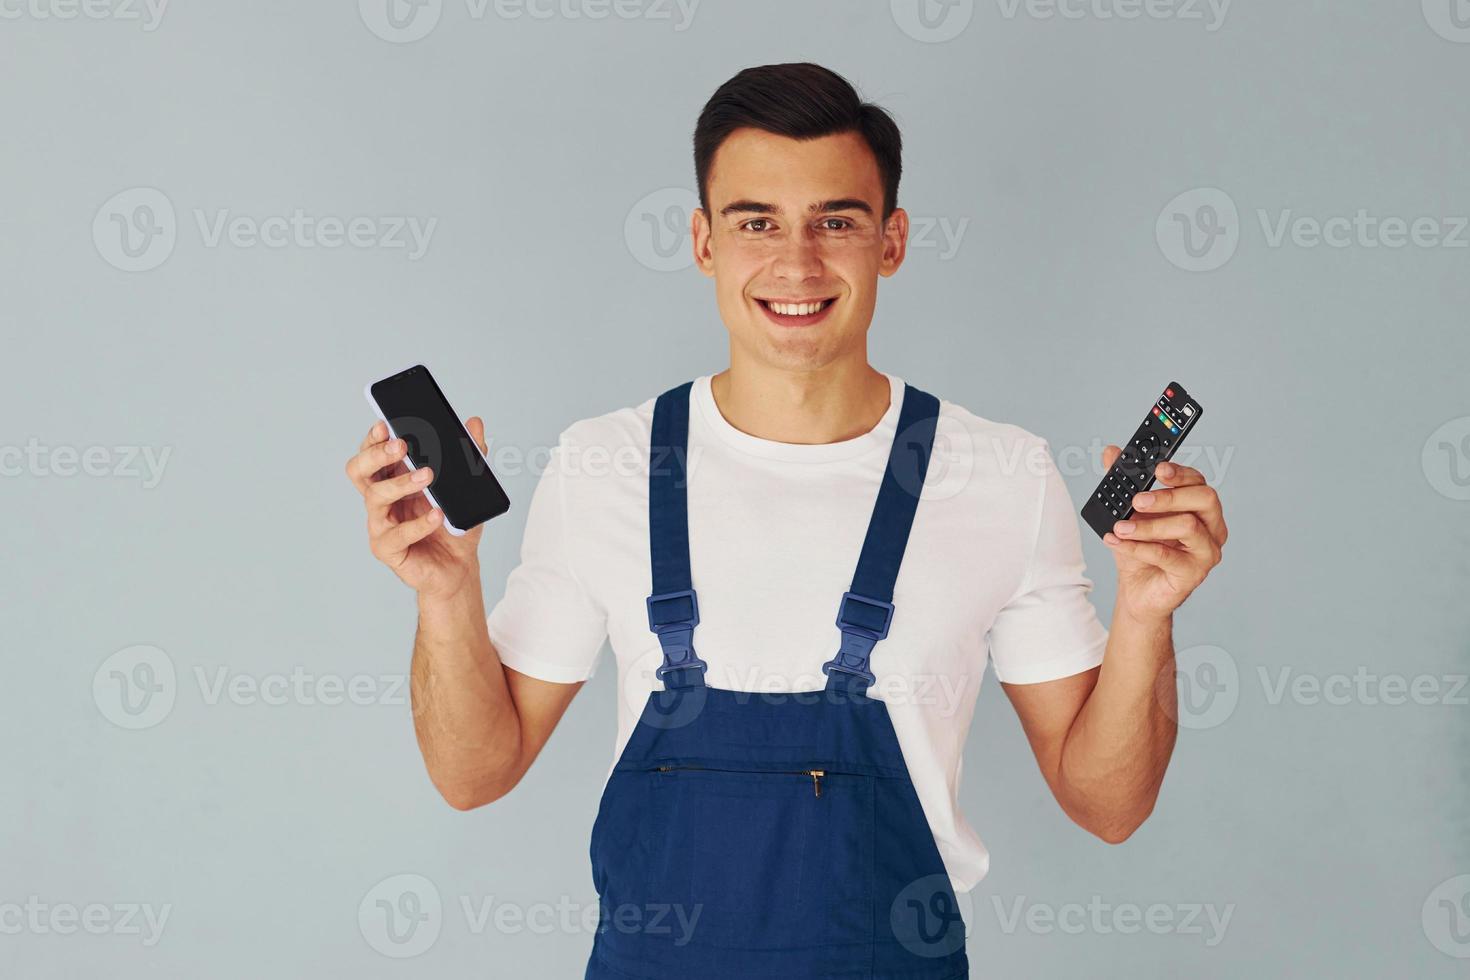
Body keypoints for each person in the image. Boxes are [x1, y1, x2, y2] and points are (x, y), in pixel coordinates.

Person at [344, 62, 1228, 980]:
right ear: (702, 241)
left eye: (836, 222)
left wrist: (1146, 616)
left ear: (892, 241)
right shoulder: (603, 464)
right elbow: (473, 774)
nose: (796, 264)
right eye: (755, 220)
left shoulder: (1003, 474)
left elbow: (1108, 804)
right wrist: (447, 597)